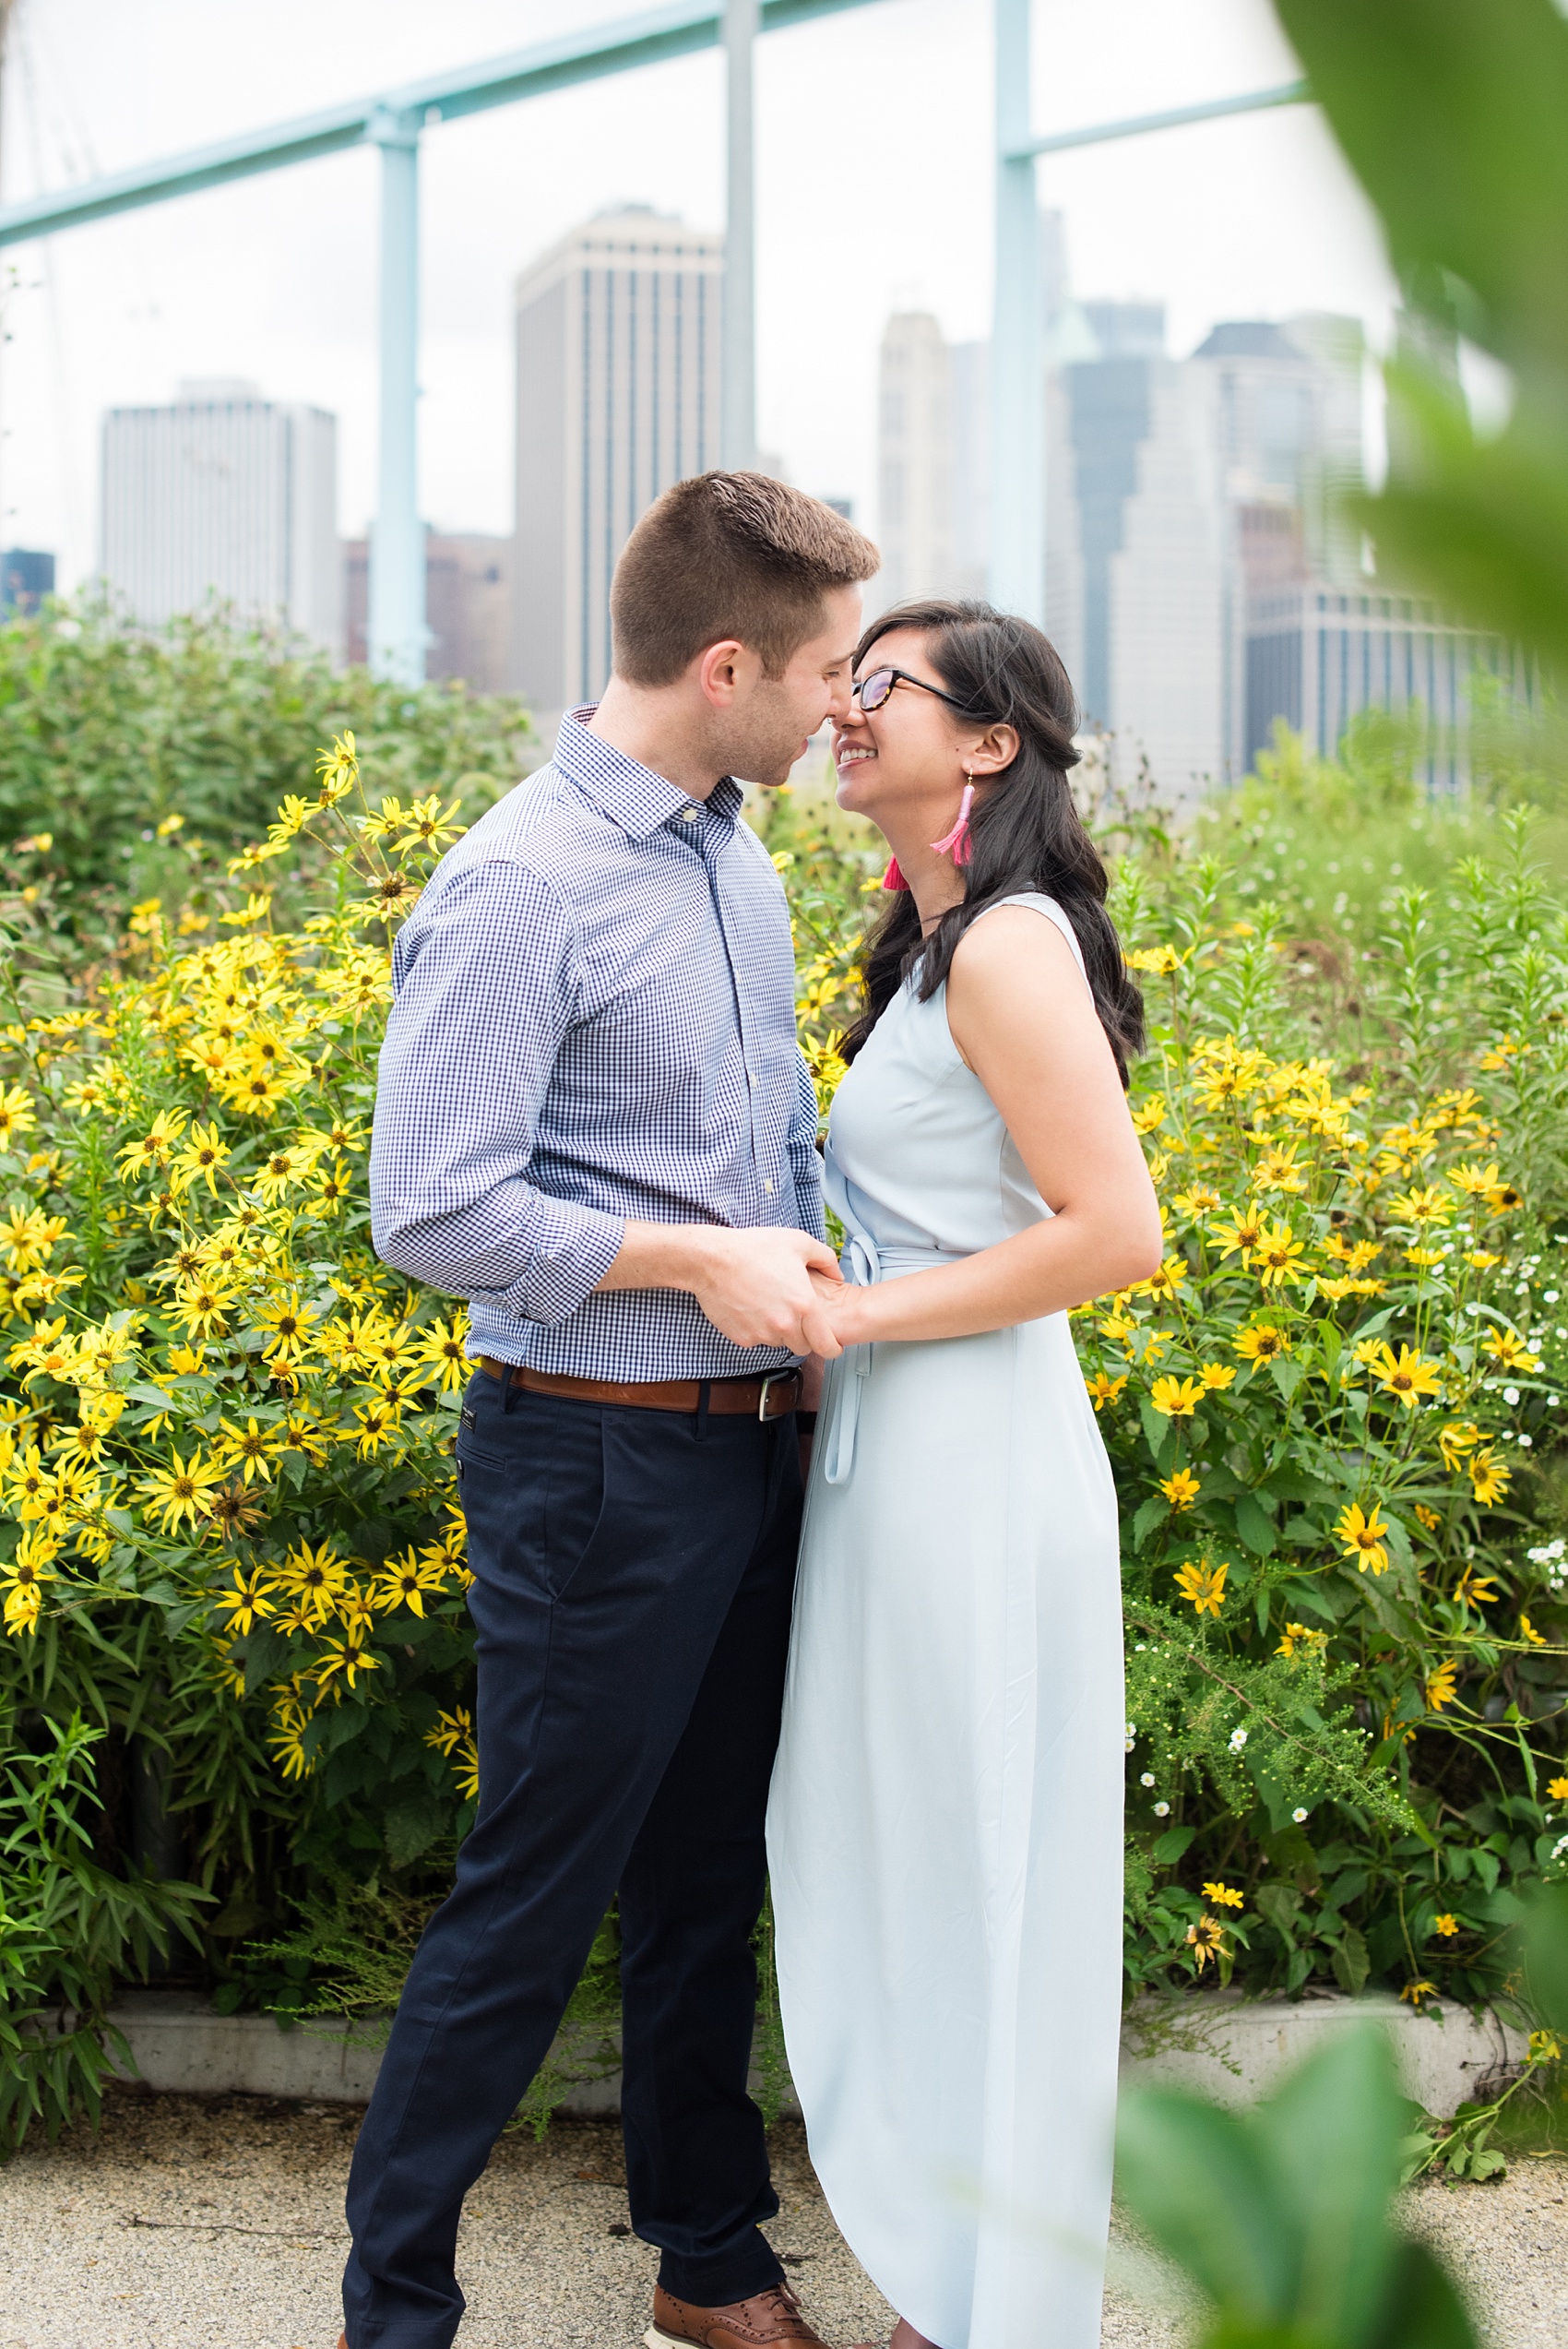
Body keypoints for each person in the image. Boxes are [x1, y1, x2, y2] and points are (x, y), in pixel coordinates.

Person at [345, 472, 880, 2349]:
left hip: (750, 1450)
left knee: (700, 1877)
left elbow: (763, 1142)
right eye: (824, 670)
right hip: (592, 1459)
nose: (847, 706)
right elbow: (429, 1206)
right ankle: (391, 2313)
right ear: (725, 663)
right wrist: (693, 1263)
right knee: (532, 1893)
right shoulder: (517, 883)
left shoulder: (733, 849)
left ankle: (706, 2256)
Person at [766, 601, 1161, 2349]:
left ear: (989, 741)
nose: (845, 709)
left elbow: (1116, 1233)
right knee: (911, 1857)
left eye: (883, 688)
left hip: (975, 1475)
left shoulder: (1006, 947)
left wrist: (860, 1317)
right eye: (842, 686)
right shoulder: (931, 945)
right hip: (904, 1462)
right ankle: (955, 2285)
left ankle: (986, 2304)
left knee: (979, 1867)